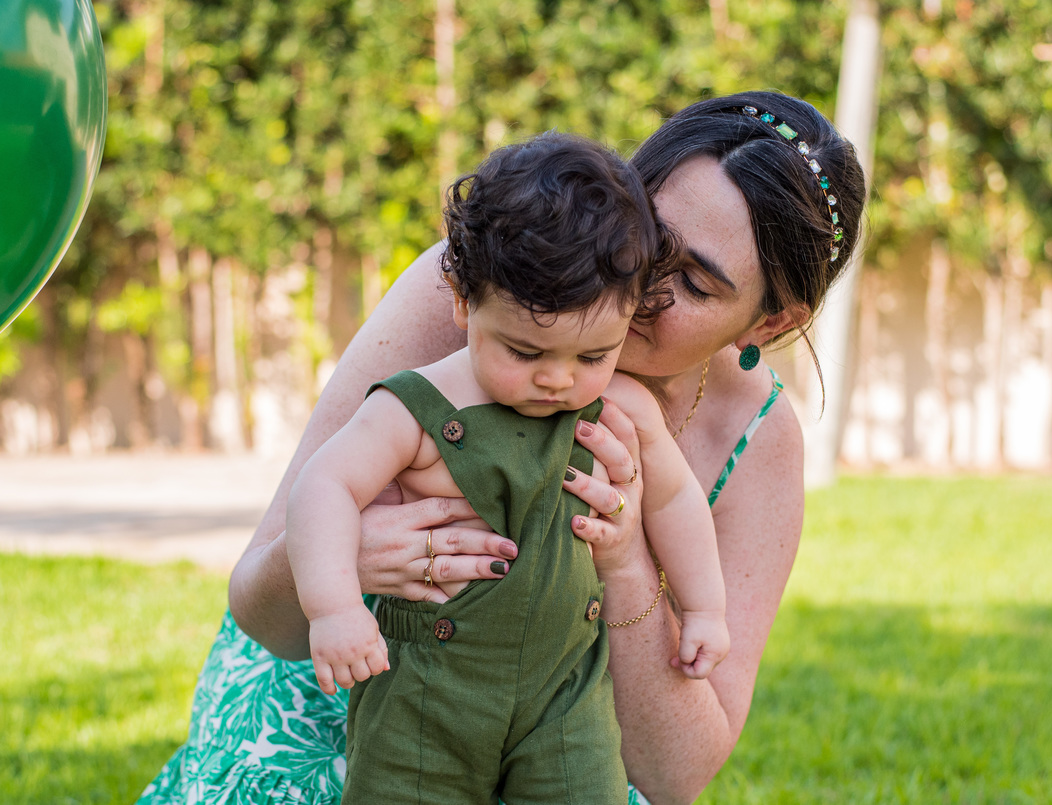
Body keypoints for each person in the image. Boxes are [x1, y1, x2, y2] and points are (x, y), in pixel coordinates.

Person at [137, 90, 866, 805]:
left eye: (695, 284)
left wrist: (625, 564)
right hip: (349, 694)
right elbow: (260, 608)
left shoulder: (757, 439)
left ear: (770, 323)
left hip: (555, 738)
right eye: (650, 234)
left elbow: (678, 776)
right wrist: (345, 560)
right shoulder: (496, 290)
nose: (643, 283)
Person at [287, 132, 727, 803]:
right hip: (427, 694)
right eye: (524, 351)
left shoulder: (622, 407)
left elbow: (673, 500)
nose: (558, 379)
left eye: (592, 355)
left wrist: (703, 608)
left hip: (565, 693)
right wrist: (335, 609)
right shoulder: (415, 406)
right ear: (465, 301)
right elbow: (324, 486)